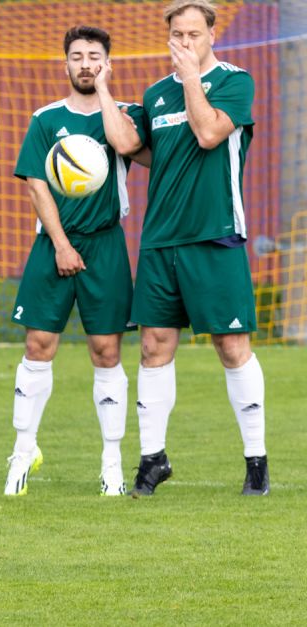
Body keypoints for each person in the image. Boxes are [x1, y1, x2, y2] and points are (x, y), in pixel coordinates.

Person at [126, 0, 268, 497]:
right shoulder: (154, 94)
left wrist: (190, 78)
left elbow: (208, 134)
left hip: (215, 234)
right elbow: (148, 153)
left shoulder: (236, 81)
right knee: (152, 347)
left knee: (231, 347)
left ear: (212, 35)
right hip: (160, 239)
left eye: (193, 34)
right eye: (176, 35)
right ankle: (152, 461)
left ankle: (256, 463)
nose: (183, 43)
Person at [4, 26, 146, 497]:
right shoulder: (45, 119)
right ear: (64, 64)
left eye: (95, 57)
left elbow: (133, 151)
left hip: (106, 245)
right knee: (39, 344)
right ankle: (23, 451)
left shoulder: (124, 116)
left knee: (106, 351)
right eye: (78, 57)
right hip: (54, 244)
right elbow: (36, 183)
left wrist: (106, 92)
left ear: (108, 63)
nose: (86, 64)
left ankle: (111, 462)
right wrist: (62, 244)